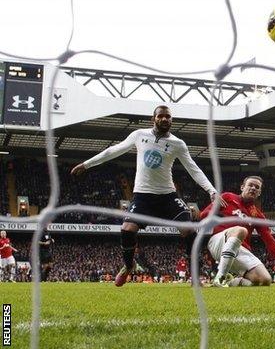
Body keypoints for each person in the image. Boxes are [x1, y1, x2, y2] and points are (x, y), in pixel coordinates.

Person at [71, 105, 218, 287]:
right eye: (161, 116)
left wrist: (211, 190)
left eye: (168, 117)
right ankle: (128, 265)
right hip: (142, 197)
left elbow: (193, 169)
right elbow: (114, 150)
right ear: (153, 119)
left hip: (168, 196)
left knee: (189, 230)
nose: (165, 119)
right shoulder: (139, 135)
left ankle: (195, 276)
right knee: (127, 230)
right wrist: (86, 164)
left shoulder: (178, 144)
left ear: (171, 120)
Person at [200, 175, 275, 287]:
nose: (253, 188)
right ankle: (220, 278)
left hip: (240, 249)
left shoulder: (257, 215)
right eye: (250, 185)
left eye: (257, 187)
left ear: (259, 193)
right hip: (218, 242)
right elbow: (203, 215)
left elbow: (269, 239)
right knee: (241, 230)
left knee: (265, 280)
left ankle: (232, 282)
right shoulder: (227, 197)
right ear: (242, 187)